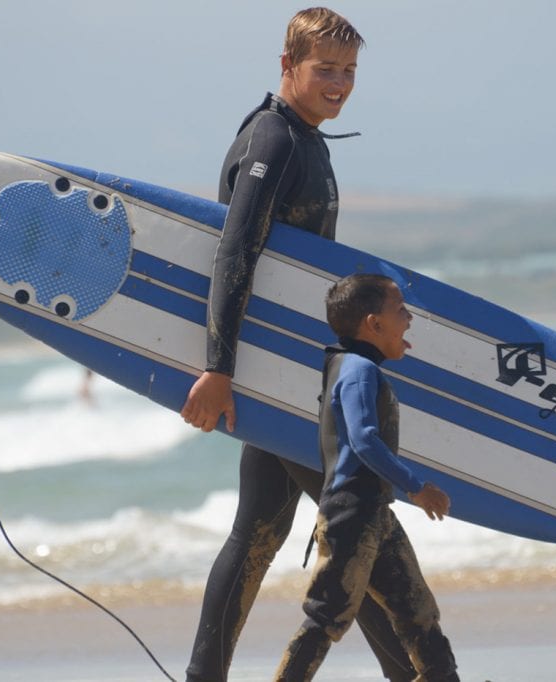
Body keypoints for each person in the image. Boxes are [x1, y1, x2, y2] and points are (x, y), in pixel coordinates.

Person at [181, 8, 421, 681]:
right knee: (356, 529)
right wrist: (219, 369)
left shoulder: (307, 139)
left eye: (348, 72)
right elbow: (235, 252)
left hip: (289, 373)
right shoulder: (274, 141)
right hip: (274, 372)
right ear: (288, 66)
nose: (339, 83)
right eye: (325, 69)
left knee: (259, 530)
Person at [274, 273, 459, 681]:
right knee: (327, 617)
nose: (409, 318)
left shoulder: (350, 365)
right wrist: (417, 487)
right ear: (374, 324)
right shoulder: (359, 371)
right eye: (401, 310)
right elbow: (363, 440)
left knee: (419, 614)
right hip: (351, 516)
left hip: (373, 513)